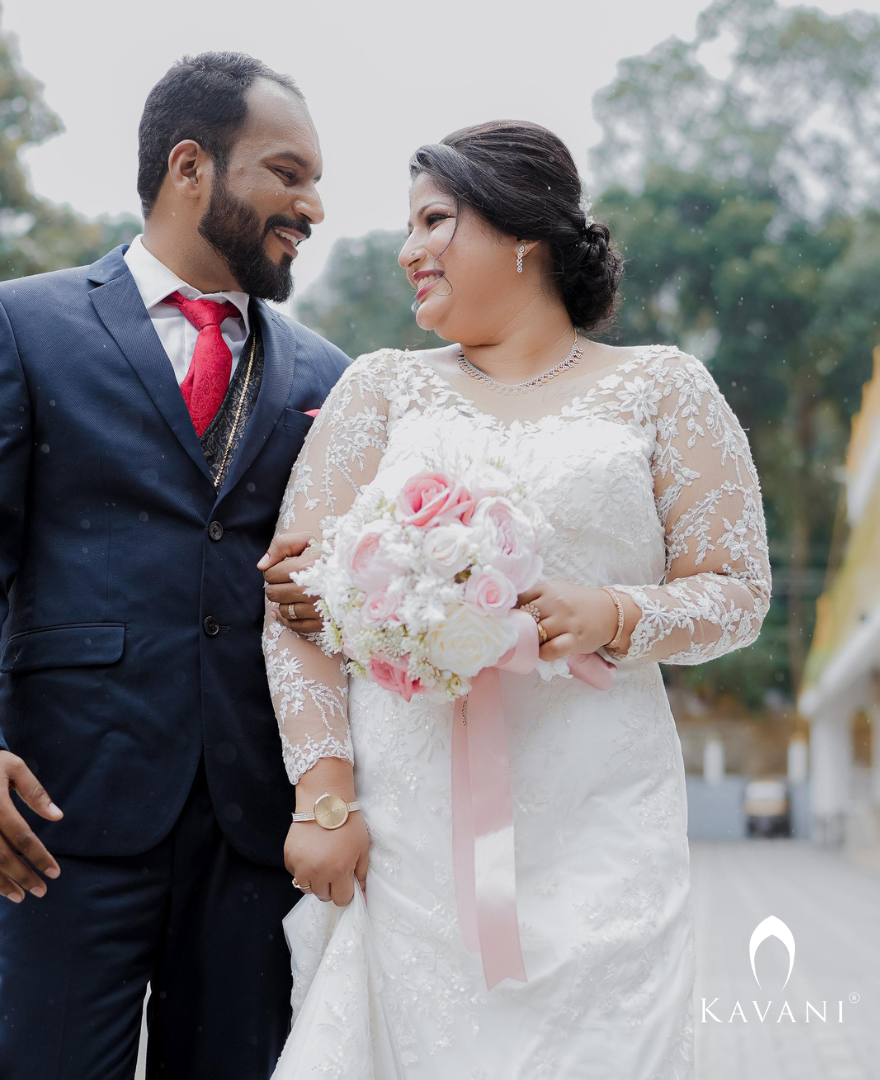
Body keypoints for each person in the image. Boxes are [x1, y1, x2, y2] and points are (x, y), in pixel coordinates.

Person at [263, 120, 771, 1078]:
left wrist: (616, 614)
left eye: (435, 220)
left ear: (524, 231)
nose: (410, 250)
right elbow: (295, 604)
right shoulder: (381, 393)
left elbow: (740, 592)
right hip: (412, 830)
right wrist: (324, 799)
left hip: (601, 815)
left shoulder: (663, 390)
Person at [0, 52, 345, 1079]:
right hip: (62, 809)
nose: (313, 204)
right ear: (192, 166)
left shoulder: (331, 374)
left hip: (253, 824)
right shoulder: (21, 323)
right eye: (288, 171)